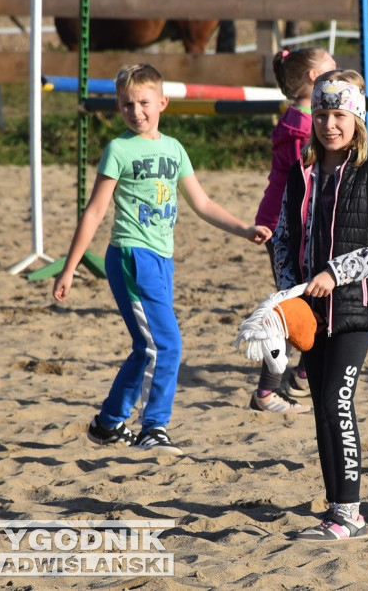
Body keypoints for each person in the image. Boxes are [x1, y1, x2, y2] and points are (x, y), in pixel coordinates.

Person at [53, 63, 271, 455]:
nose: (135, 112)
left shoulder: (173, 149)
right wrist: (69, 268)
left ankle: (107, 423)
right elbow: (95, 212)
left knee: (147, 345)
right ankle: (153, 427)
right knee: (166, 344)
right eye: (125, 105)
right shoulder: (119, 149)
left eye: (143, 103)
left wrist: (244, 229)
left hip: (162, 260)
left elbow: (201, 203)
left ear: (162, 103)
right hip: (131, 258)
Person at [272, 68, 368, 541]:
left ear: (357, 120)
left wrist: (335, 273)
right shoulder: (299, 173)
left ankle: (349, 513)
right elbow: (284, 240)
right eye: (322, 114)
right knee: (323, 410)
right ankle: (335, 507)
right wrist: (291, 295)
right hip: (311, 310)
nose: (330, 124)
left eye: (340, 115)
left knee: (336, 402)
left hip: (353, 308)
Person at [250, 46, 336, 414]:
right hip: (285, 227)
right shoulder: (305, 129)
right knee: (293, 305)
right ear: (315, 79)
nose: (340, 72)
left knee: (310, 298)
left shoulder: (303, 121)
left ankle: (301, 375)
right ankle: (268, 391)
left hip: (289, 223)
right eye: (333, 69)